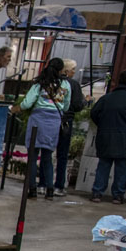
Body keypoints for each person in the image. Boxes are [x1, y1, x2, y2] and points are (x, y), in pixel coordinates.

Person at [10, 57, 71, 200]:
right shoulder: (66, 85)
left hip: (38, 120)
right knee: (47, 157)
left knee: (32, 156)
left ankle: (32, 189)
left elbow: (26, 103)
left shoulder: (40, 84)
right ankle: (50, 190)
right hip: (54, 122)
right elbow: (67, 106)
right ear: (61, 70)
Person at [89, 69, 126, 204]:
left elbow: (94, 113)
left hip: (105, 137)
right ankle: (118, 195)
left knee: (103, 165)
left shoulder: (107, 98)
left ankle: (97, 193)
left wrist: (103, 125)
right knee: (122, 167)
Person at [54, 59, 85, 196]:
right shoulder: (71, 84)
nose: (74, 72)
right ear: (66, 70)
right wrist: (85, 102)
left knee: (46, 152)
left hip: (51, 120)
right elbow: (75, 105)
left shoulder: (51, 82)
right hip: (66, 121)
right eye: (73, 69)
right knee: (62, 154)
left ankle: (43, 184)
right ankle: (59, 185)